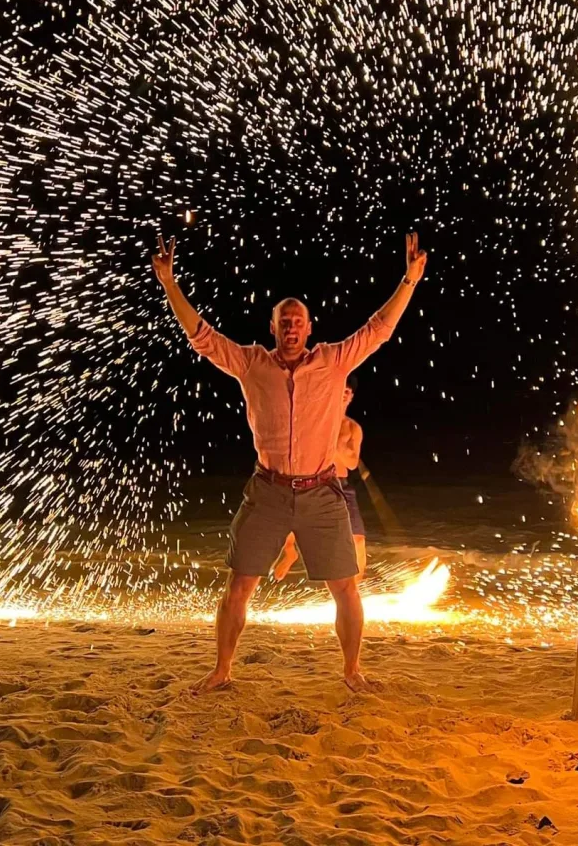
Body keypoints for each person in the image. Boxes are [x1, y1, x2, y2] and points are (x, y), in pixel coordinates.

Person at [152, 233, 427, 693]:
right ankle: (222, 671)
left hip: (322, 492)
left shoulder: (335, 362)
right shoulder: (251, 364)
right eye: (284, 321)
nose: (292, 328)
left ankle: (352, 671)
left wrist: (408, 281)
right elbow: (201, 336)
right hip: (269, 491)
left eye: (298, 321)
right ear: (273, 327)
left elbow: (379, 328)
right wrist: (169, 283)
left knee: (347, 587)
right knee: (240, 583)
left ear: (310, 328)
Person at [273, 375, 366, 581]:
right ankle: (290, 552)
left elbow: (351, 462)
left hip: (340, 485)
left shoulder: (352, 428)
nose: (343, 393)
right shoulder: (313, 420)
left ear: (351, 397)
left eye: (348, 391)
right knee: (292, 517)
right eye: (340, 389)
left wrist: (335, 439)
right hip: (314, 481)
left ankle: (356, 595)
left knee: (357, 541)